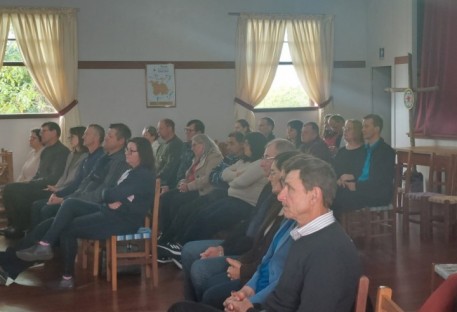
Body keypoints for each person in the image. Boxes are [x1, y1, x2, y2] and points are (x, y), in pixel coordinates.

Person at [169, 155, 362, 312]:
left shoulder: (329, 252)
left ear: (314, 195)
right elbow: (282, 300)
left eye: (290, 189)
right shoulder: (306, 235)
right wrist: (249, 303)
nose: (280, 196)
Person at [15, 137, 156, 290]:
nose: (127, 153)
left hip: (121, 221)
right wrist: (114, 197)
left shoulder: (142, 174)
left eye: (131, 151)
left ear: (143, 154)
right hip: (110, 212)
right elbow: (114, 196)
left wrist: (114, 197)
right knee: (70, 203)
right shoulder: (132, 171)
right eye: (126, 150)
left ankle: (66, 278)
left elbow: (111, 194)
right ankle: (45, 244)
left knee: (68, 228)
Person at [189, 151, 301, 309]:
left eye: (274, 173)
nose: (268, 176)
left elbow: (282, 279)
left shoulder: (297, 223)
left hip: (254, 272)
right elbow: (263, 252)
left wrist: (246, 280)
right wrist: (249, 286)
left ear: (313, 194)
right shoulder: (281, 210)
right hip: (252, 266)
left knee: (205, 280)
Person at [159, 132, 268, 255]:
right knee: (200, 212)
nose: (244, 147)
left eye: (247, 144)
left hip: (245, 204)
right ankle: (178, 242)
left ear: (255, 145)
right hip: (231, 197)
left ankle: (184, 247)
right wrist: (234, 176)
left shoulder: (259, 164)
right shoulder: (244, 161)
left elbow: (239, 182)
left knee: (208, 218)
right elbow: (222, 174)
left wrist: (233, 179)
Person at [2, 122, 70, 238]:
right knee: (9, 189)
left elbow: (54, 177)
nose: (41, 134)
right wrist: (32, 182)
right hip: (38, 185)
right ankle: (15, 225)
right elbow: (39, 173)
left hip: (49, 189)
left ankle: (19, 227)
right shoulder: (46, 151)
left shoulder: (62, 151)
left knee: (11, 189)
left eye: (44, 131)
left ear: (54, 133)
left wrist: (32, 183)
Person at [30, 125, 105, 227]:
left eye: (86, 134)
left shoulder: (99, 157)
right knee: (37, 205)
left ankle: (48, 240)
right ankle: (35, 236)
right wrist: (58, 193)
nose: (83, 137)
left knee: (46, 209)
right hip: (72, 193)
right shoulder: (85, 157)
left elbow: (83, 186)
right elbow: (74, 181)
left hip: (83, 198)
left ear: (96, 138)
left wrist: (62, 197)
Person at [158, 134, 223, 236]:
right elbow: (190, 175)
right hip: (191, 187)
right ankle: (165, 231)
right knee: (165, 198)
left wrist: (188, 186)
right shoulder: (199, 157)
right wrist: (184, 181)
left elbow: (207, 179)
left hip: (202, 191)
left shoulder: (214, 157)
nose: (192, 148)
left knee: (176, 202)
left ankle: (173, 235)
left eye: (194, 145)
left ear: (203, 145)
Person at [332, 114, 395, 215]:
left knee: (338, 199)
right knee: (331, 194)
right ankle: (341, 229)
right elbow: (360, 173)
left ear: (377, 129)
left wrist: (356, 186)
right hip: (362, 189)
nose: (363, 130)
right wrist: (351, 178)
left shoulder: (385, 151)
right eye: (362, 126)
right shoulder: (365, 149)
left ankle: (343, 230)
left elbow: (380, 180)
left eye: (366, 126)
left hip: (377, 194)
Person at [333, 119, 365, 188]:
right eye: (344, 128)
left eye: (349, 129)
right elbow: (334, 170)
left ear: (357, 131)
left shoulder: (365, 151)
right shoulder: (341, 151)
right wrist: (337, 180)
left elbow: (366, 173)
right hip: (340, 188)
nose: (345, 131)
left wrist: (353, 177)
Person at [155, 119, 183, 190]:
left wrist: (155, 177)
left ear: (170, 128)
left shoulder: (176, 144)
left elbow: (170, 167)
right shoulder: (162, 145)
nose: (158, 131)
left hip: (167, 183)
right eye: (157, 129)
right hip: (157, 179)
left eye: (160, 128)